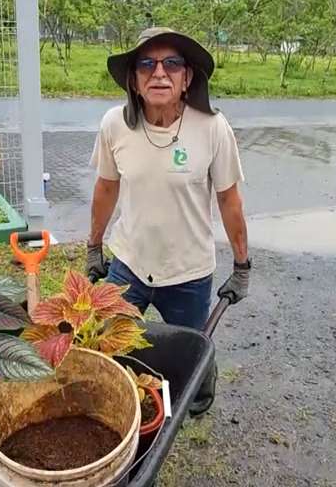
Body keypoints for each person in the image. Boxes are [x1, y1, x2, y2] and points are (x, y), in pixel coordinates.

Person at [87, 27, 250, 416]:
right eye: (147, 64)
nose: (159, 73)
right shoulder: (114, 125)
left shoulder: (212, 127)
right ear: (133, 79)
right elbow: (106, 189)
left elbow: (229, 200)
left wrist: (242, 265)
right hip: (130, 264)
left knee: (192, 351)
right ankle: (120, 402)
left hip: (189, 272)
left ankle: (199, 391)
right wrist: (94, 246)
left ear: (187, 77)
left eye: (171, 63)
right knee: (109, 343)